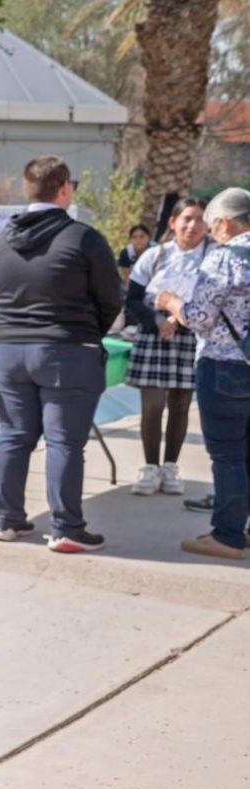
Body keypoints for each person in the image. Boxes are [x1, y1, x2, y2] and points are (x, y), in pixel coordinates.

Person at [0, 156, 122, 553]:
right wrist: (87, 333)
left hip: (9, 351)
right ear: (64, 188)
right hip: (66, 350)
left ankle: (6, 521)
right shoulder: (83, 239)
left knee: (13, 435)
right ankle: (65, 528)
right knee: (63, 442)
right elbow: (111, 298)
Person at [155, 187, 250, 561]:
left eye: (212, 226)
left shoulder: (223, 260)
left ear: (225, 223)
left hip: (224, 367)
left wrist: (170, 301)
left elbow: (198, 317)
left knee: (228, 455)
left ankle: (227, 535)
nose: (210, 233)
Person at [124, 198, 210, 496]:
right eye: (186, 218)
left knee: (180, 405)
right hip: (154, 336)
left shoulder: (213, 257)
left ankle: (171, 466)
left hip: (191, 338)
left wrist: (180, 318)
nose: (193, 225)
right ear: (172, 222)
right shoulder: (154, 256)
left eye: (200, 219)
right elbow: (132, 300)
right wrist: (156, 320)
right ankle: (150, 466)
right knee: (153, 404)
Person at [118, 224, 153, 330]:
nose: (138, 240)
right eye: (135, 237)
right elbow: (127, 279)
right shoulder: (127, 253)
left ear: (148, 237)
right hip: (135, 289)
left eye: (142, 236)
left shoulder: (157, 251)